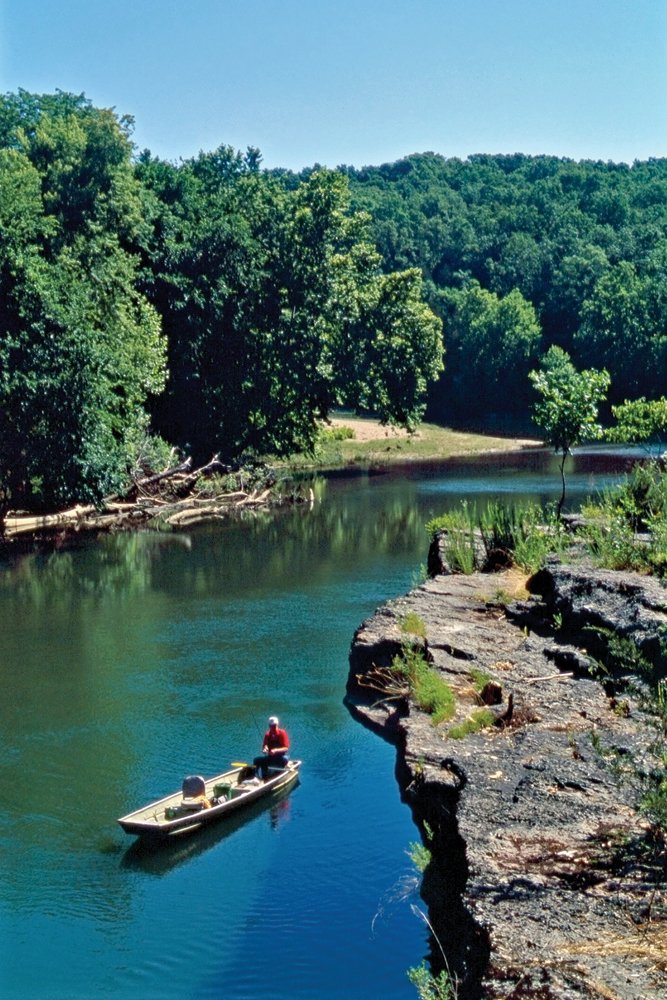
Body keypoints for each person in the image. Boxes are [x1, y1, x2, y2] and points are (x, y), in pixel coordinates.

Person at [254, 715, 290, 780]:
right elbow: (264, 746)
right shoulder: (267, 734)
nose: (272, 727)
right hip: (270, 757)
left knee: (285, 760)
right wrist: (265, 749)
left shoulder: (282, 733)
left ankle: (273, 774)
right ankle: (256, 777)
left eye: (274, 726)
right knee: (256, 760)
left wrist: (276, 750)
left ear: (277, 724)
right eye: (271, 726)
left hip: (280, 758)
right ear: (269, 726)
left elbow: (286, 748)